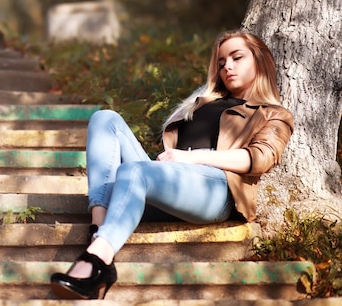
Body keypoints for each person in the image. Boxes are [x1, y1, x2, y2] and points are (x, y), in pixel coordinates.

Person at [50, 30, 294, 300]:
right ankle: (99, 229)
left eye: (237, 57)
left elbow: (258, 159)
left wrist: (188, 156)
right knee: (104, 118)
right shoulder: (202, 103)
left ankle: (98, 262)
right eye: (222, 62)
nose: (228, 66)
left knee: (133, 171)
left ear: (260, 62)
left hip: (215, 191)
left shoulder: (273, 114)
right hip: (172, 184)